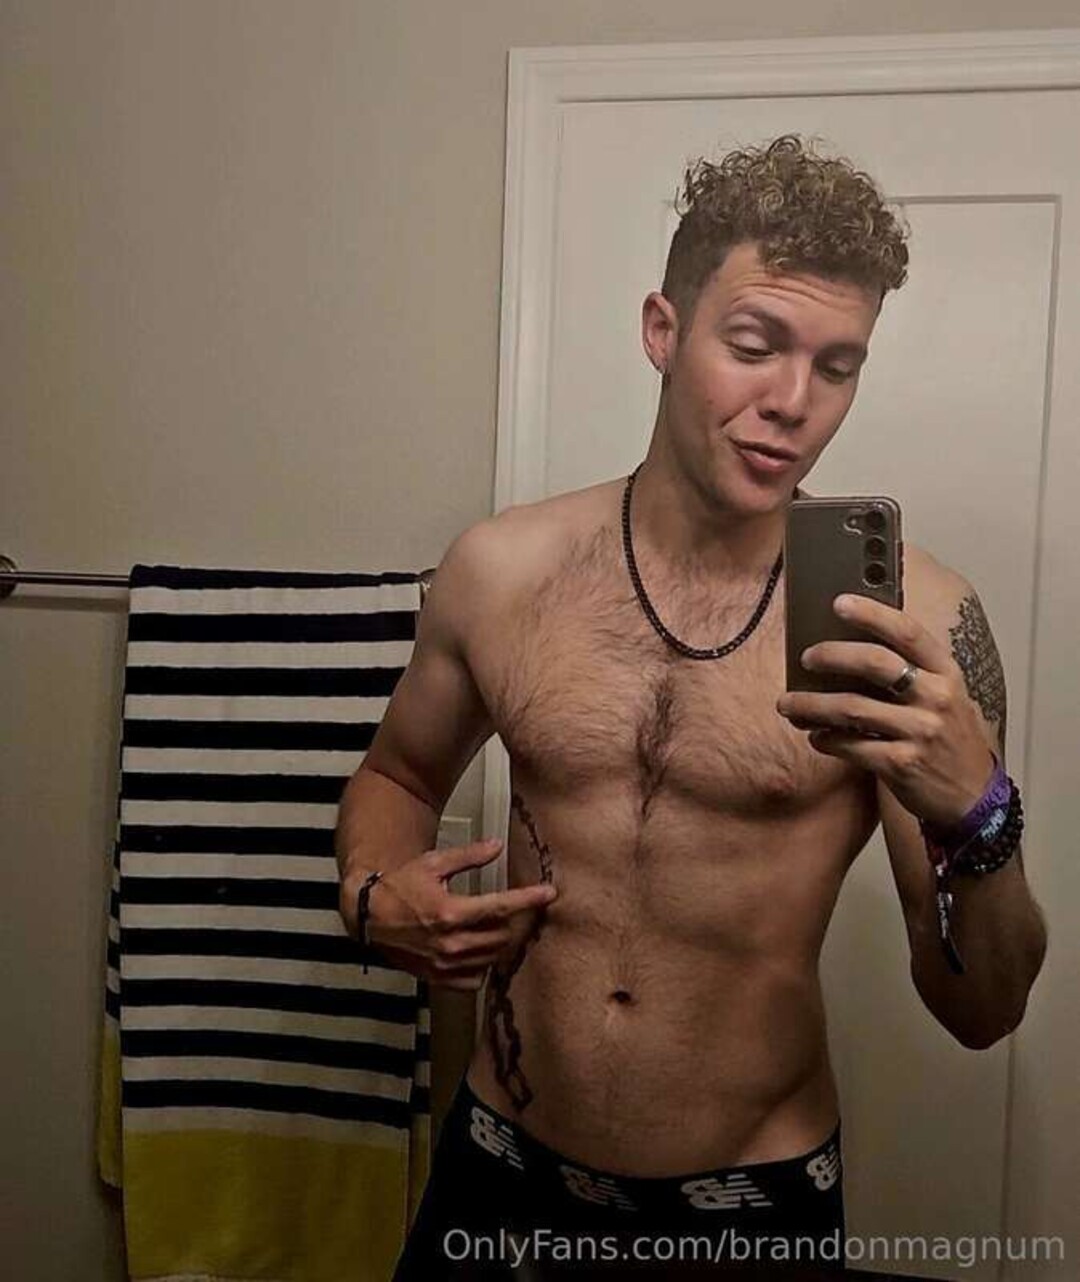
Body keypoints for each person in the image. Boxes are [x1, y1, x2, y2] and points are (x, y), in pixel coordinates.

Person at [335, 136, 1046, 1279]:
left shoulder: (910, 627)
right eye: (755, 347)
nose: (792, 404)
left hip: (751, 1207)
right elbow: (396, 778)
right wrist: (376, 894)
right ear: (663, 331)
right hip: (499, 1172)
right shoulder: (503, 573)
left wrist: (981, 813)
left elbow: (983, 1009)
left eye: (836, 366)